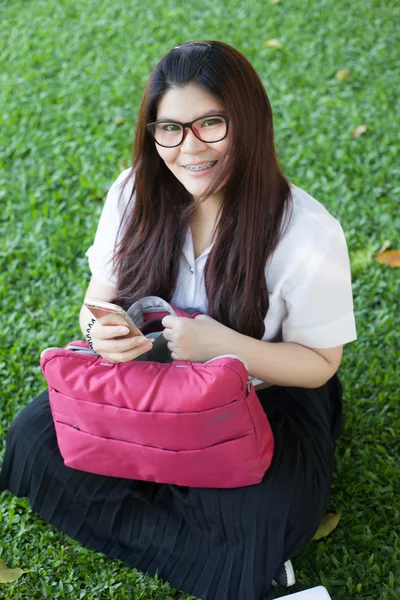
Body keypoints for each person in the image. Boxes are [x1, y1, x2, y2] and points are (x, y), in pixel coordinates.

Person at [0, 41, 357, 600]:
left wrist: (224, 346)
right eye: (170, 129)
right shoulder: (132, 192)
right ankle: (237, 561)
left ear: (249, 122)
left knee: (271, 512)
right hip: (150, 383)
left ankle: (236, 545)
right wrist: (101, 331)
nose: (189, 148)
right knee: (33, 444)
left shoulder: (307, 231)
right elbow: (99, 298)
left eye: (210, 123)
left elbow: (319, 365)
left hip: (263, 397)